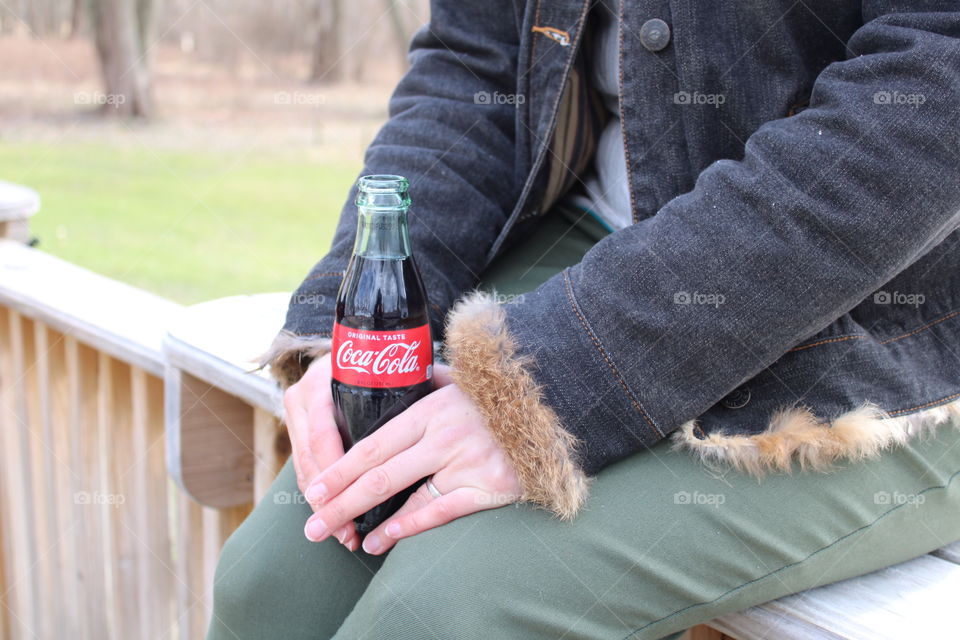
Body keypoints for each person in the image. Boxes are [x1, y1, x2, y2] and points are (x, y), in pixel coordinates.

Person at [208, 1, 960, 638]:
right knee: (271, 588)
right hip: (587, 241)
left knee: (440, 615)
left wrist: (549, 383)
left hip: (895, 325)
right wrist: (360, 316)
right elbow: (474, 66)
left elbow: (935, 81)